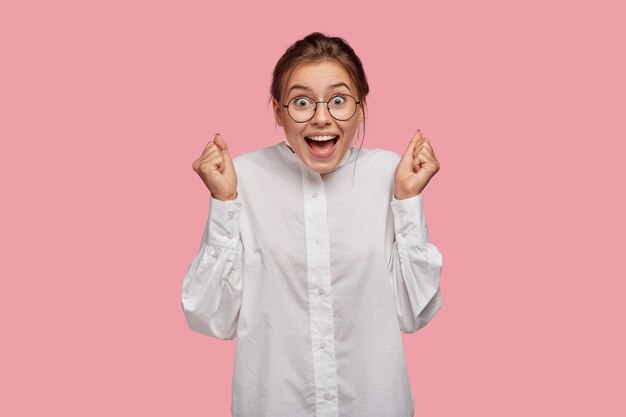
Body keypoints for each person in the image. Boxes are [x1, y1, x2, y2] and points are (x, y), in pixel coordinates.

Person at [182, 32, 443, 417]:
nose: (322, 117)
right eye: (302, 102)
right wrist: (224, 204)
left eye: (338, 100)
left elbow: (414, 313)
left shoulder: (392, 175)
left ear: (361, 108)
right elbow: (210, 317)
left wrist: (407, 202)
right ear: (278, 110)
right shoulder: (241, 179)